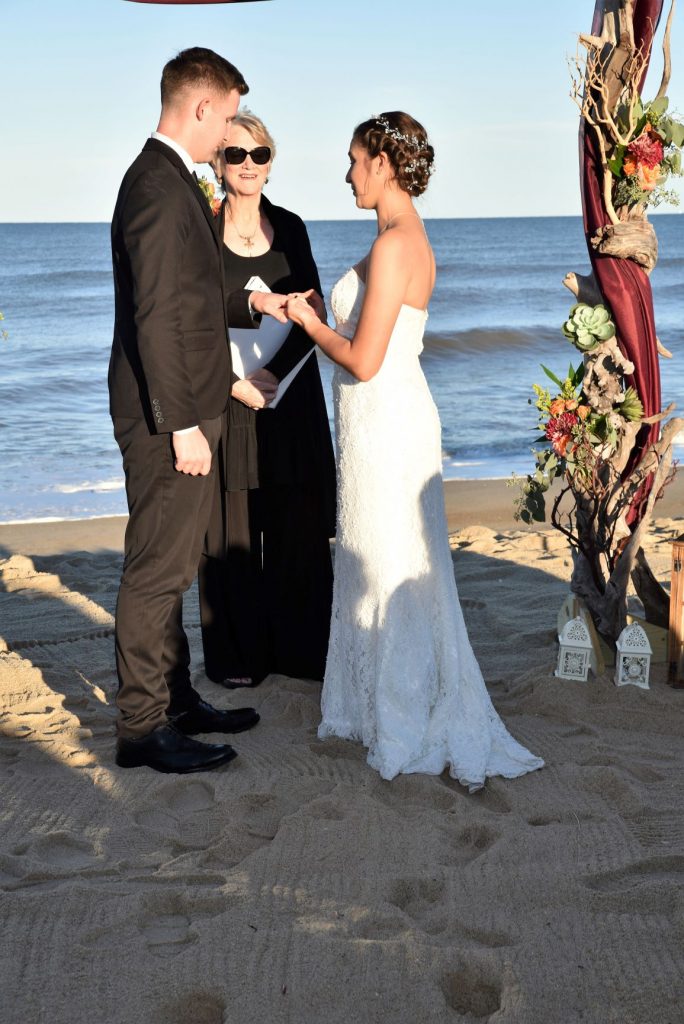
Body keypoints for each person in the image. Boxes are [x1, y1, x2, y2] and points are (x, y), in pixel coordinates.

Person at [286, 112, 544, 789]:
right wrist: (319, 310)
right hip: (380, 421)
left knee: (388, 557)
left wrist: (313, 325)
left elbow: (364, 360)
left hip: (386, 420)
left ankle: (400, 710)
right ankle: (377, 702)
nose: (345, 173)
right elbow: (362, 326)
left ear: (383, 162)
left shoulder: (398, 244)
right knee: (381, 553)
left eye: (352, 159)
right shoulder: (395, 239)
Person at [108, 48, 282, 773]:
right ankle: (143, 729)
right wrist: (182, 423)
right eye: (229, 113)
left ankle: (177, 700)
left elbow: (188, 297)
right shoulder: (154, 185)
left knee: (175, 566)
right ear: (202, 106)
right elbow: (153, 317)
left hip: (189, 405)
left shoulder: (175, 182)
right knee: (156, 569)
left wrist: (252, 302)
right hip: (165, 417)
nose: (232, 131)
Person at [198, 112, 336, 688]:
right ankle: (238, 660)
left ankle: (299, 653)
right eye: (236, 155)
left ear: (271, 162)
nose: (248, 165)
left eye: (259, 154)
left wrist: (273, 374)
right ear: (217, 163)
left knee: (295, 526)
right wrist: (236, 384)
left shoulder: (293, 227)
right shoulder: (201, 231)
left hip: (289, 394)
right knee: (232, 531)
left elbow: (314, 308)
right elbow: (192, 318)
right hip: (227, 399)